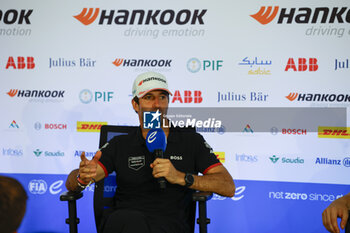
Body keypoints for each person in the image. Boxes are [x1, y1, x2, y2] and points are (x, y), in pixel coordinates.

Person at [66, 71, 235, 233]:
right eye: (149, 98)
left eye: (162, 97)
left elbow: (228, 186)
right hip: (123, 223)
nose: (157, 105)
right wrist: (83, 176)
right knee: (128, 221)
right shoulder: (120, 143)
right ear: (135, 104)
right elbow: (73, 182)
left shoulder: (191, 140)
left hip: (168, 225)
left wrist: (181, 177)